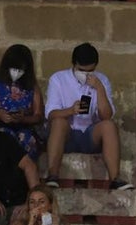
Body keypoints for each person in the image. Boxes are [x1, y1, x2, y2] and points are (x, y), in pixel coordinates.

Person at [42, 42, 130, 190]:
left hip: (90, 134)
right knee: (58, 122)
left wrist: (99, 88)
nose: (86, 74)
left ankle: (115, 178)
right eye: (82, 70)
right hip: (67, 134)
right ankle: (53, 176)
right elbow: (51, 114)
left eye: (90, 71)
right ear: (74, 64)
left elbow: (107, 116)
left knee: (109, 126)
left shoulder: (101, 80)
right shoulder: (58, 79)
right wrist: (70, 110)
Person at [0, 43, 44, 160]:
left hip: (23, 127)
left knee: (26, 141)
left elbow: (38, 115)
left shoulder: (31, 84)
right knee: (4, 139)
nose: (16, 72)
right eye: (14, 68)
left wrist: (23, 118)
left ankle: (22, 174)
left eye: (20, 69)